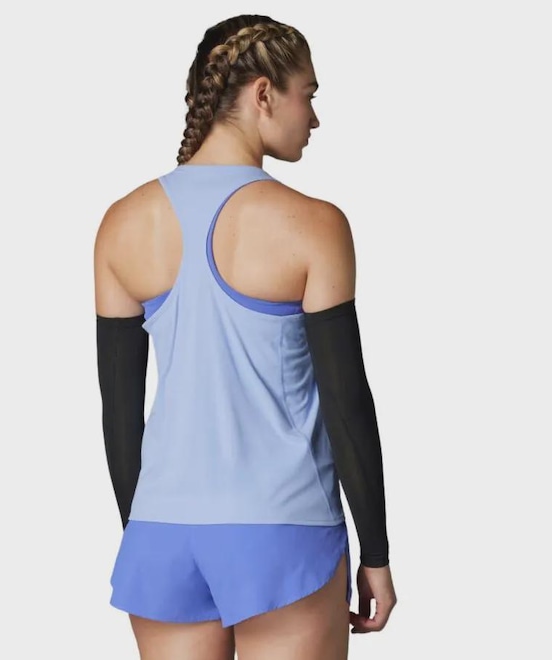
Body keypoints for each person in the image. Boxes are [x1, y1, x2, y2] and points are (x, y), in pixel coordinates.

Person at [94, 14, 397, 660]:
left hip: (161, 535)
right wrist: (376, 551)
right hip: (283, 529)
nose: (314, 118)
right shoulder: (313, 224)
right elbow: (347, 404)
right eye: (307, 95)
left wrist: (147, 536)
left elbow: (119, 417)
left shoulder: (121, 223)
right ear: (264, 94)